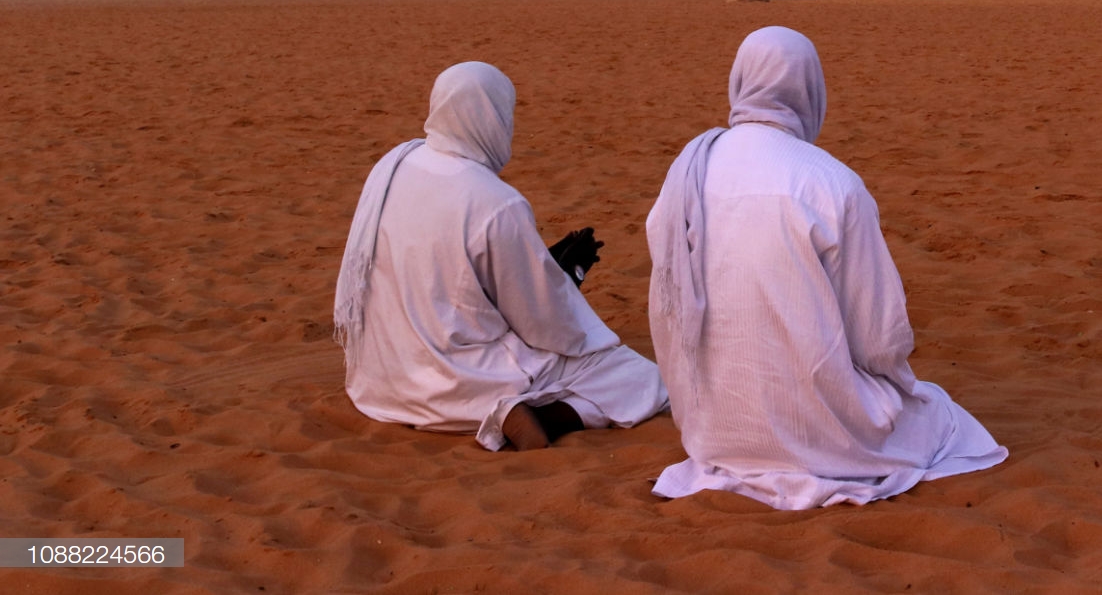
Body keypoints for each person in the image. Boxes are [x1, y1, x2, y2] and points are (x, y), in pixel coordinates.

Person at [647, 26, 1006, 508]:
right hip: (815, 430)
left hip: (713, 428)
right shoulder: (831, 181)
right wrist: (892, 388)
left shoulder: (688, 173)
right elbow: (880, 338)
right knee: (942, 418)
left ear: (740, 81)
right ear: (810, 90)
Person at [335, 61, 668, 452]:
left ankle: (517, 412)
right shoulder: (494, 202)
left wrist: (547, 270)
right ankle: (541, 416)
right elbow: (544, 323)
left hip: (380, 379)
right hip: (458, 379)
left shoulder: (394, 163)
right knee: (641, 378)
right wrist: (566, 281)